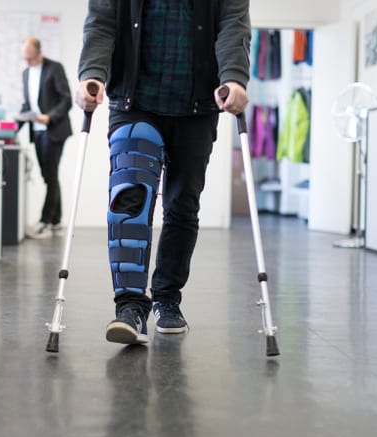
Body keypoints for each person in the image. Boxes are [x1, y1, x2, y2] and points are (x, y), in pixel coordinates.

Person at [74, 0, 251, 344]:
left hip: (197, 104)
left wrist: (234, 77)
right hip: (134, 102)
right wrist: (91, 74)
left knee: (182, 206)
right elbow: (101, 24)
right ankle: (129, 307)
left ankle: (167, 298)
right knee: (128, 198)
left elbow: (233, 25)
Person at [20, 37, 73, 238]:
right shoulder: (26, 74)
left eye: (31, 59)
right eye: (25, 59)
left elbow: (66, 99)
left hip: (54, 130)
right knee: (48, 176)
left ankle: (45, 221)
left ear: (38, 53)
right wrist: (11, 130)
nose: (28, 63)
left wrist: (49, 117)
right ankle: (56, 221)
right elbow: (27, 105)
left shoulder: (54, 68)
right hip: (37, 131)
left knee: (50, 175)